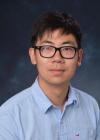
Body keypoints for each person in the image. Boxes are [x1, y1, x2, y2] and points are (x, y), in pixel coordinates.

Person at [0, 11, 100, 140]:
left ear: (79, 57)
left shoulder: (91, 106)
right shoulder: (9, 116)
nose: (57, 58)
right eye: (47, 48)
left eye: (67, 49)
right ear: (33, 56)